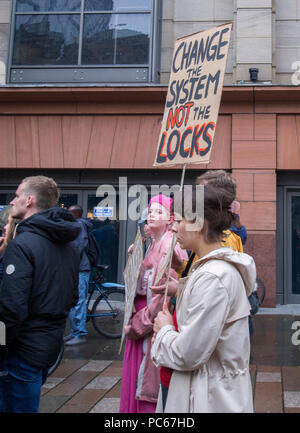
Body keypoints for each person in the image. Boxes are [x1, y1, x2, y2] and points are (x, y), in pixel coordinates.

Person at [151, 183, 256, 413]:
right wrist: (180, 288)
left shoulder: (214, 277)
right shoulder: (211, 271)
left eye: (179, 220)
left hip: (209, 399)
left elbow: (188, 354)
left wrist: (165, 329)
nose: (173, 228)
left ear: (200, 223)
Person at [0, 176, 80, 413]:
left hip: (20, 351)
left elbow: (11, 309)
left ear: (30, 200)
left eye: (17, 195)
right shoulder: (69, 246)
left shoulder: (22, 244)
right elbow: (72, 298)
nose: (13, 201)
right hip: (47, 346)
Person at [120, 194, 188, 413]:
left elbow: (163, 296)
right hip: (140, 318)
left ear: (169, 219)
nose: (152, 214)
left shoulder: (170, 246)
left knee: (148, 379)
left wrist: (137, 326)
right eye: (150, 210)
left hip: (149, 323)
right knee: (139, 376)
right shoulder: (149, 242)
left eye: (159, 211)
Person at [64, 204, 93, 346]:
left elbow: (79, 246)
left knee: (79, 300)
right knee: (75, 300)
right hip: (78, 267)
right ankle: (74, 332)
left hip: (79, 268)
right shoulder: (78, 224)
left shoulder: (79, 225)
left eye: (70, 212)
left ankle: (79, 333)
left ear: (76, 214)